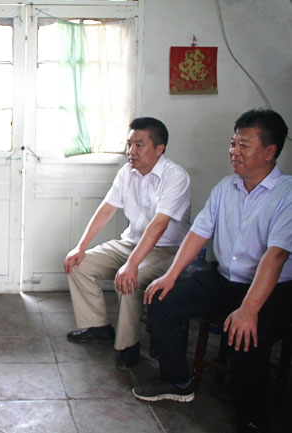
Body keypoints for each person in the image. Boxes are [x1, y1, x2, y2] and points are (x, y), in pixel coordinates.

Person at [134, 109, 291, 433]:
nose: (234, 151)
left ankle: (251, 417)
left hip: (272, 288)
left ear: (269, 151)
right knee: (162, 298)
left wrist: (249, 309)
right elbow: (198, 233)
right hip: (226, 279)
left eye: (243, 145)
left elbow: (275, 257)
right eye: (233, 143)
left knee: (247, 334)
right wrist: (171, 275)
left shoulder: (287, 194)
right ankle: (177, 380)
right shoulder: (225, 187)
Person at [64, 117, 191, 369]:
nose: (131, 151)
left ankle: (128, 345)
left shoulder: (175, 177)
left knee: (131, 279)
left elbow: (159, 225)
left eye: (139, 145)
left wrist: (132, 264)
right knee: (78, 264)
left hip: (166, 250)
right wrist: (80, 246)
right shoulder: (126, 172)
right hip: (131, 243)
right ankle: (98, 326)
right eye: (129, 144)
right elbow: (106, 209)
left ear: (159, 149)